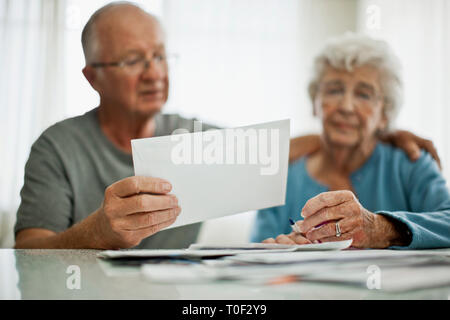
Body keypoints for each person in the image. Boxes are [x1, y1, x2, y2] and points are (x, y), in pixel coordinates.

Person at [13, 3, 441, 250]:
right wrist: (99, 231)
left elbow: (275, 149)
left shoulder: (199, 140)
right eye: (132, 60)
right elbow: (25, 255)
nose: (154, 73)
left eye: (160, 56)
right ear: (92, 77)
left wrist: (379, 133)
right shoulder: (56, 148)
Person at [251, 33, 450, 249]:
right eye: (334, 90)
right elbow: (256, 252)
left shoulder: (410, 163)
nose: (346, 106)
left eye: (363, 95)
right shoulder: (284, 175)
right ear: (315, 103)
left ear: (384, 113)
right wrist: (279, 250)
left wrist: (382, 229)